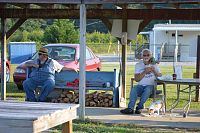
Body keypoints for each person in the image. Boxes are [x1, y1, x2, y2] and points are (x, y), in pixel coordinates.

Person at [120, 49, 162, 114]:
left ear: (151, 56)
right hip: (141, 85)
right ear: (142, 56)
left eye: (148, 55)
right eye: (144, 55)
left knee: (147, 89)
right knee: (134, 89)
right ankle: (130, 108)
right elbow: (136, 79)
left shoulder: (154, 64)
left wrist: (154, 71)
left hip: (151, 86)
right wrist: (145, 72)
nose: (146, 56)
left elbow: (160, 76)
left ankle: (139, 107)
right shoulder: (138, 65)